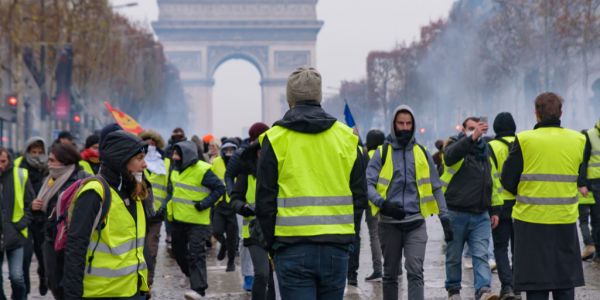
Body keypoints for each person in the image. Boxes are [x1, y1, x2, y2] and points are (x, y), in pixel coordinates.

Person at [256, 67, 367, 300]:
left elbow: (264, 202)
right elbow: (359, 196)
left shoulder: (274, 139)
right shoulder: (346, 138)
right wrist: (348, 236)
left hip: (291, 246)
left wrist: (271, 246)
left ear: (289, 99)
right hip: (336, 246)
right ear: (319, 97)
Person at [502, 92, 585, 300]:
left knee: (536, 287)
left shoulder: (525, 139)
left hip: (531, 222)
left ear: (536, 114)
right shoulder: (578, 140)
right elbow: (581, 176)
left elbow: (507, 179)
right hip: (564, 221)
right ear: (561, 113)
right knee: (564, 284)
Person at [366, 105, 451, 300]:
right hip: (389, 225)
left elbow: (436, 187)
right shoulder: (382, 152)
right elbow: (368, 184)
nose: (405, 127)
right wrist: (383, 203)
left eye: (408, 123)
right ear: (393, 125)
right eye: (400, 123)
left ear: (413, 125)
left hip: (416, 223)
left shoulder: (421, 152)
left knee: (415, 272)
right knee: (390, 275)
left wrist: (444, 217)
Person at [62, 130, 150, 299]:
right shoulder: (95, 192)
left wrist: (143, 286)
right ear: (121, 160)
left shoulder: (133, 192)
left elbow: (137, 246)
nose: (145, 165)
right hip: (101, 293)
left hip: (132, 290)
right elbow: (75, 247)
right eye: (139, 158)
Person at [442, 116, 503, 300]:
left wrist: (495, 210)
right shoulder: (456, 146)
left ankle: (483, 290)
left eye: (477, 129)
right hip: (455, 213)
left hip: (480, 215)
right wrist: (471, 138)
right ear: (463, 130)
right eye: (470, 128)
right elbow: (449, 157)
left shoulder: (486, 152)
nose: (474, 132)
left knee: (481, 255)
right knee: (453, 256)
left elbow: (492, 181)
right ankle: (454, 290)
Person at [167, 141, 225, 299]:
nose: (174, 157)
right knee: (178, 253)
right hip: (178, 219)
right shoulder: (174, 170)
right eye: (173, 154)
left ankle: (199, 289)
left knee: (196, 254)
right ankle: (192, 276)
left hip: (198, 222)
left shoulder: (203, 170)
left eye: (177, 154)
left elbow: (220, 189)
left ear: (186, 155)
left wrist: (204, 204)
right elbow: (171, 193)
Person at [33, 143, 88, 300]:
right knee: (54, 283)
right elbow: (45, 213)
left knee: (65, 284)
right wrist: (34, 208)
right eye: (49, 160)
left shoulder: (77, 181)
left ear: (65, 161)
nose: (49, 164)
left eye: (52, 160)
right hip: (50, 239)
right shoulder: (49, 180)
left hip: (67, 241)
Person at [230, 142, 276, 300]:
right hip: (253, 232)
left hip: (276, 231)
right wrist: (243, 207)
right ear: (255, 153)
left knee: (272, 277)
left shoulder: (280, 171)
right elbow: (234, 199)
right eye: (260, 151)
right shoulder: (245, 174)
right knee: (262, 274)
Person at [487, 112, 520, 299]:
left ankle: (507, 286)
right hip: (521, 203)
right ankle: (518, 283)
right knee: (519, 247)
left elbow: (489, 178)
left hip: (499, 205)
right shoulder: (523, 142)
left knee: (500, 247)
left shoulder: (490, 146)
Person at [349, 129, 386, 285]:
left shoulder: (367, 155)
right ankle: (393, 268)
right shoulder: (385, 155)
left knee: (373, 236)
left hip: (369, 201)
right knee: (384, 235)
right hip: (381, 199)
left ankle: (378, 269)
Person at [14, 137, 49, 296]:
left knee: (43, 257)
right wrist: (30, 205)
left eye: (39, 152)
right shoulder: (18, 167)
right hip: (25, 219)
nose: (36, 155)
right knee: (25, 259)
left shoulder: (49, 167)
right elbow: (13, 195)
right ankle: (25, 291)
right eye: (33, 152)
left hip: (44, 219)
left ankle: (43, 277)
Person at [0, 147, 34, 300]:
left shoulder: (19, 175)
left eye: (3, 161)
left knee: (17, 277)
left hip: (16, 234)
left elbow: (30, 204)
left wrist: (21, 224)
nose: (0, 165)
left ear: (9, 161)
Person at [139, 129, 170, 288]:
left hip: (156, 214)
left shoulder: (165, 163)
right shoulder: (135, 161)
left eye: (153, 142)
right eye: (147, 142)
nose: (150, 145)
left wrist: (164, 207)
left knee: (151, 251)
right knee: (137, 251)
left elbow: (170, 188)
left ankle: (147, 285)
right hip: (138, 212)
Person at [211, 139, 240, 272]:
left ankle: (231, 263)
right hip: (219, 202)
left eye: (231, 150)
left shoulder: (238, 162)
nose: (229, 153)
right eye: (226, 150)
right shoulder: (216, 162)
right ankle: (224, 244)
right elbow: (211, 177)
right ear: (222, 152)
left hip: (233, 204)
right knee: (216, 231)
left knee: (233, 236)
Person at [580, 119, 600, 263]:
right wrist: (582, 183)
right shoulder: (590, 135)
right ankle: (597, 251)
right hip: (594, 183)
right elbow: (584, 161)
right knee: (596, 219)